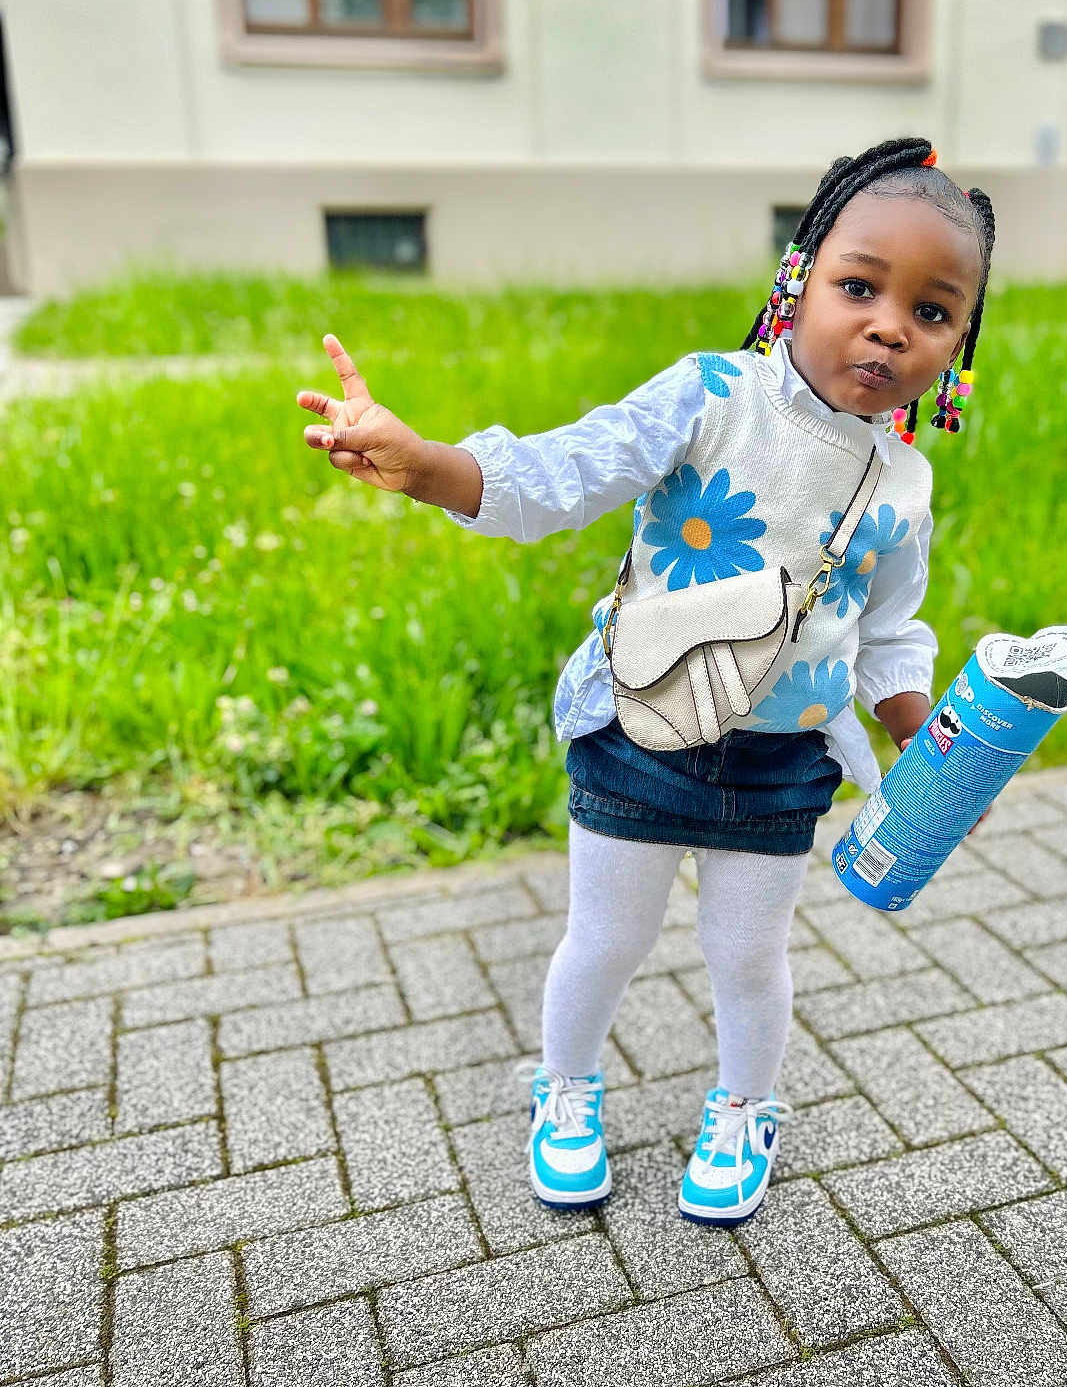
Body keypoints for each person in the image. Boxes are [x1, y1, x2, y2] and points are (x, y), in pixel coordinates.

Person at [297, 136, 996, 1227]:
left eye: (933, 310)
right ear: (796, 279)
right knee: (607, 940)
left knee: (749, 958)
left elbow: (892, 630)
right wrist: (428, 463)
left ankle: (746, 1105)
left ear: (960, 344)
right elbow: (568, 469)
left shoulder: (904, 480)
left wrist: (928, 741)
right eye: (858, 285)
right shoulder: (711, 397)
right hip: (639, 725)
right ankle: (564, 1090)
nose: (889, 325)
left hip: (780, 764)